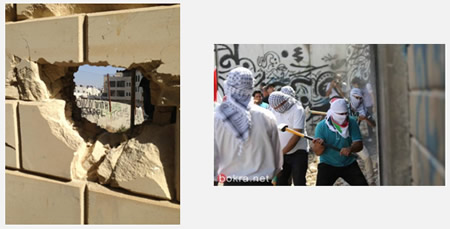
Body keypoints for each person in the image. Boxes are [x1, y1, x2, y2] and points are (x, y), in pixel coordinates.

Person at [214, 67, 282, 186]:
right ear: (250, 88)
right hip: (262, 183)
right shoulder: (267, 116)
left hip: (231, 183)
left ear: (228, 87)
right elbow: (278, 159)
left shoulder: (216, 118)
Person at [311, 98, 368, 185]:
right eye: (341, 114)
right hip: (327, 164)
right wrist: (319, 145)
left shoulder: (351, 122)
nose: (344, 116)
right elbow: (318, 152)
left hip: (348, 163)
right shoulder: (321, 126)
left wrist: (350, 149)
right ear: (333, 113)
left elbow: (359, 144)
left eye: (346, 113)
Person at [269, 91, 309, 185]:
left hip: (298, 152)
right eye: (274, 108)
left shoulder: (297, 110)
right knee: (281, 182)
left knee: (299, 181)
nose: (276, 110)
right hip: (281, 153)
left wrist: (281, 152)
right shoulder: (273, 109)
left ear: (283, 102)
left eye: (278, 107)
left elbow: (297, 135)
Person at [349, 88, 376, 184]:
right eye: (356, 98)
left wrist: (365, 119)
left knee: (367, 157)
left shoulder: (362, 109)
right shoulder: (344, 107)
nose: (358, 100)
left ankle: (371, 180)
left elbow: (374, 124)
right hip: (341, 139)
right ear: (351, 97)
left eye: (360, 98)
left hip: (354, 139)